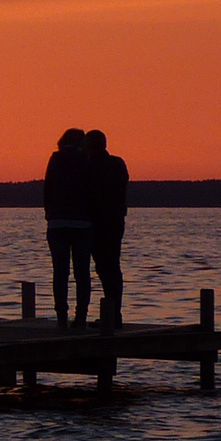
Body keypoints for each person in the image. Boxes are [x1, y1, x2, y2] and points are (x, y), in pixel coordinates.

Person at [41, 127, 93, 330]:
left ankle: (61, 317)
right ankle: (80, 317)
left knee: (60, 273)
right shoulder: (85, 161)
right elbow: (91, 190)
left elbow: (48, 189)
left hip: (58, 223)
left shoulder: (55, 159)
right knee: (82, 273)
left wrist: (50, 214)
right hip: (82, 223)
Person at [85, 129, 130, 333]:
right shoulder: (118, 163)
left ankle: (112, 316)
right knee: (112, 268)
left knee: (104, 268)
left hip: (97, 223)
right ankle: (115, 314)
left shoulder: (89, 166)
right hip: (115, 222)